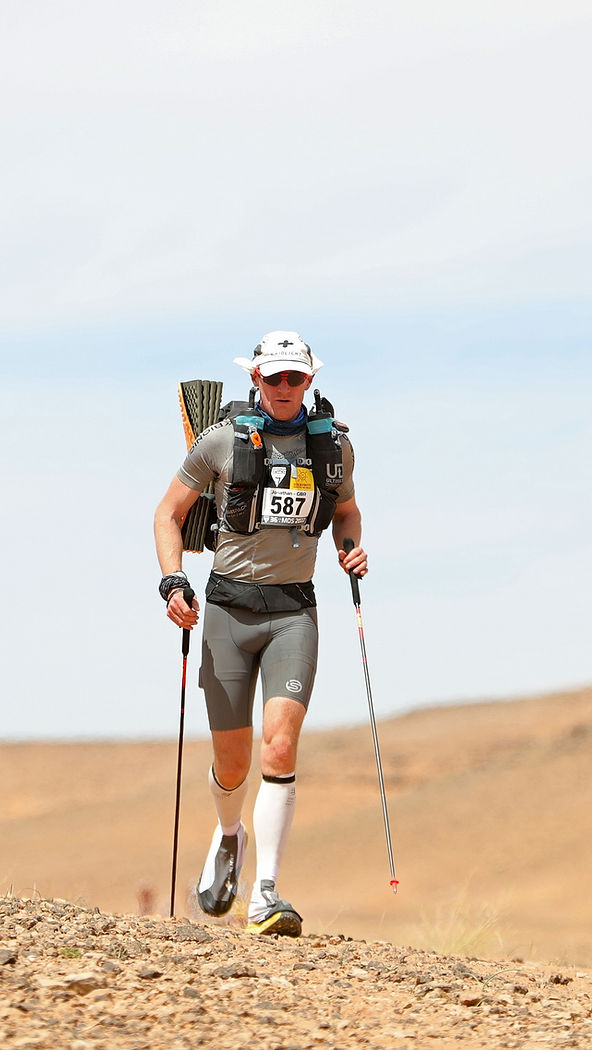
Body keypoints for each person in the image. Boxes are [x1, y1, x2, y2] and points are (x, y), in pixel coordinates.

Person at [154, 331, 367, 936]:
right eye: (272, 378)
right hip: (226, 608)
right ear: (256, 380)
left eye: (294, 378)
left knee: (280, 744)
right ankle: (228, 836)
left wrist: (351, 547)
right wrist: (173, 582)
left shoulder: (334, 449)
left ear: (309, 381)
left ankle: (266, 893)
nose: (283, 388)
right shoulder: (220, 441)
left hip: (293, 612)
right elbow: (167, 512)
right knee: (233, 760)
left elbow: (346, 510)